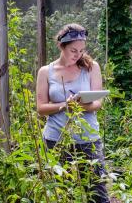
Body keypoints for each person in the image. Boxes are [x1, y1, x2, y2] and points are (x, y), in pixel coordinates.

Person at [36, 23, 110, 202]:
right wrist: (64, 105)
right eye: (73, 51)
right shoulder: (46, 72)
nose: (78, 55)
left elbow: (98, 103)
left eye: (82, 51)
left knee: (97, 192)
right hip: (56, 140)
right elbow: (41, 108)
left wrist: (80, 106)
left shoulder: (91, 67)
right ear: (61, 46)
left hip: (88, 139)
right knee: (61, 192)